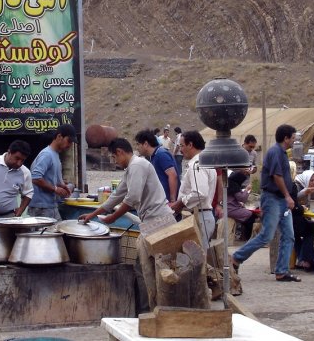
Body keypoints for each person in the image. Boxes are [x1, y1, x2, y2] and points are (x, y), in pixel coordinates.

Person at [78, 138, 175, 312]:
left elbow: (132, 198)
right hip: (151, 223)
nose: (115, 162)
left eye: (114, 158)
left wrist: (112, 217)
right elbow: (116, 196)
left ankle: (150, 311)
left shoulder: (137, 165)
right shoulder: (131, 169)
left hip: (159, 223)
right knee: (143, 269)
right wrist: (92, 215)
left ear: (121, 152)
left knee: (151, 270)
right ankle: (148, 310)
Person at [230, 124, 301, 283]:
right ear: (286, 138)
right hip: (273, 199)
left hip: (281, 201)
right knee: (266, 235)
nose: (294, 141)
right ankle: (236, 258)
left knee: (289, 235)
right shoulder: (275, 152)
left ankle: (282, 271)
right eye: (293, 138)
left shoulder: (282, 153)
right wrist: (288, 196)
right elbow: (277, 176)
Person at [169, 130, 217, 249]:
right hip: (203, 216)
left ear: (190, 145)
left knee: (198, 259)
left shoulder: (197, 164)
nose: (180, 150)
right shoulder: (205, 161)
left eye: (182, 146)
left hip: (200, 217)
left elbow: (200, 193)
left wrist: (180, 202)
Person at [28, 124, 76, 220]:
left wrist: (62, 186)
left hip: (50, 206)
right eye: (69, 141)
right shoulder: (47, 154)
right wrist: (55, 189)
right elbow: (35, 178)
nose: (70, 145)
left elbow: (50, 178)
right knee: (45, 234)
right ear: (59, 137)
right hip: (41, 207)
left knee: (58, 232)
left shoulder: (55, 155)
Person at [135, 129, 179, 202]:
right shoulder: (154, 155)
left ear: (145, 144)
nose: (137, 148)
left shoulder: (161, 154)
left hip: (167, 202)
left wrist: (172, 201)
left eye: (138, 144)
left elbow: (172, 175)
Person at [219, 170, 258, 241]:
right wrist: (247, 190)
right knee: (250, 215)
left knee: (248, 216)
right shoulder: (234, 186)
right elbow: (242, 198)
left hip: (229, 208)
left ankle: (244, 236)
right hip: (231, 210)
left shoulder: (229, 184)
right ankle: (248, 237)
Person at [292, 169, 314, 270]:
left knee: (311, 227)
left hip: (297, 218)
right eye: (311, 180)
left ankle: (305, 259)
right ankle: (307, 259)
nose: (313, 182)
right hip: (292, 218)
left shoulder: (305, 188)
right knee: (311, 230)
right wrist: (304, 192)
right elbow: (293, 198)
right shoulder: (297, 185)